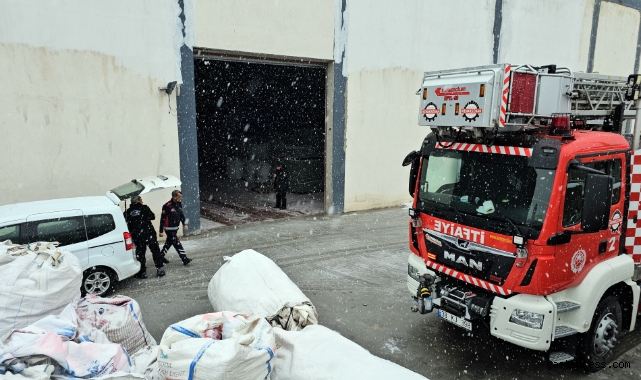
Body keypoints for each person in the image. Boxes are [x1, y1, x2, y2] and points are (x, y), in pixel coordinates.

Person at [124, 195, 166, 278]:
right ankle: (159, 268)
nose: (142, 200)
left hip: (137, 236)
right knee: (155, 251)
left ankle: (142, 272)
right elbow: (153, 216)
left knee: (140, 253)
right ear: (137, 200)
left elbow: (125, 222)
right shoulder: (145, 208)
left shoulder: (127, 212)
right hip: (148, 233)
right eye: (140, 199)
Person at [159, 190, 192, 265]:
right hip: (169, 229)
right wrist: (161, 231)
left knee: (168, 243)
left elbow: (181, 215)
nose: (180, 198)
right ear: (174, 197)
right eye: (179, 197)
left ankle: (160, 256)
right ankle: (184, 259)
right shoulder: (167, 206)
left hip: (175, 228)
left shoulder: (179, 204)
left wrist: (185, 224)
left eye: (181, 197)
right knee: (177, 243)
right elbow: (162, 219)